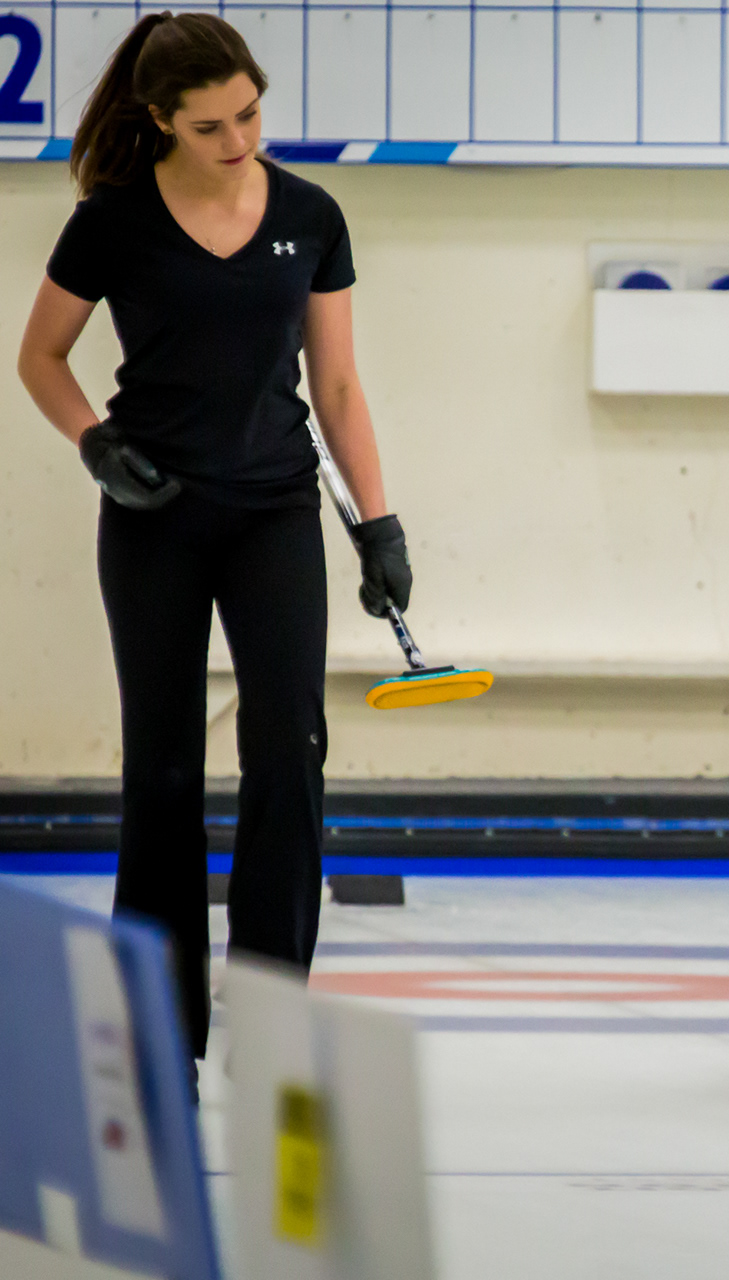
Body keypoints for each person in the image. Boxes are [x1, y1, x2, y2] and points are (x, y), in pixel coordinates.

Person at [15, 14, 410, 1083]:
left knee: (290, 755)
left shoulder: (312, 216)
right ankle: (158, 1028)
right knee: (163, 772)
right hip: (154, 518)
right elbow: (40, 356)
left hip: (275, 514)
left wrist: (378, 525)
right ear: (161, 120)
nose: (238, 140)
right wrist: (95, 443)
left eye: (249, 114)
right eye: (211, 126)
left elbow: (336, 385)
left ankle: (272, 1018)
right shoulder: (112, 220)